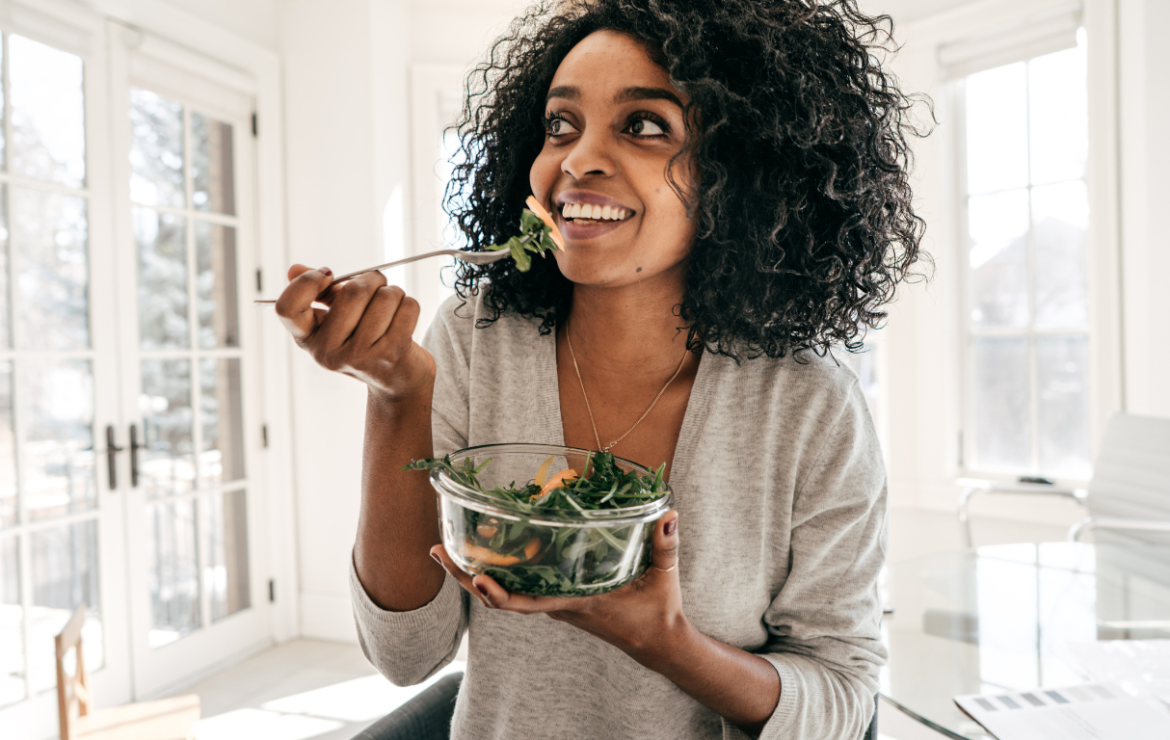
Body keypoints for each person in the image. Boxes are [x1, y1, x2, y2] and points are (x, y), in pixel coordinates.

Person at [275, 1, 927, 738]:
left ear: (739, 173)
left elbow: (841, 702)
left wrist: (665, 641)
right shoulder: (478, 337)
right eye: (560, 125)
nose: (576, 159)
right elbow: (405, 654)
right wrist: (399, 393)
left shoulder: (809, 407)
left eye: (644, 125)